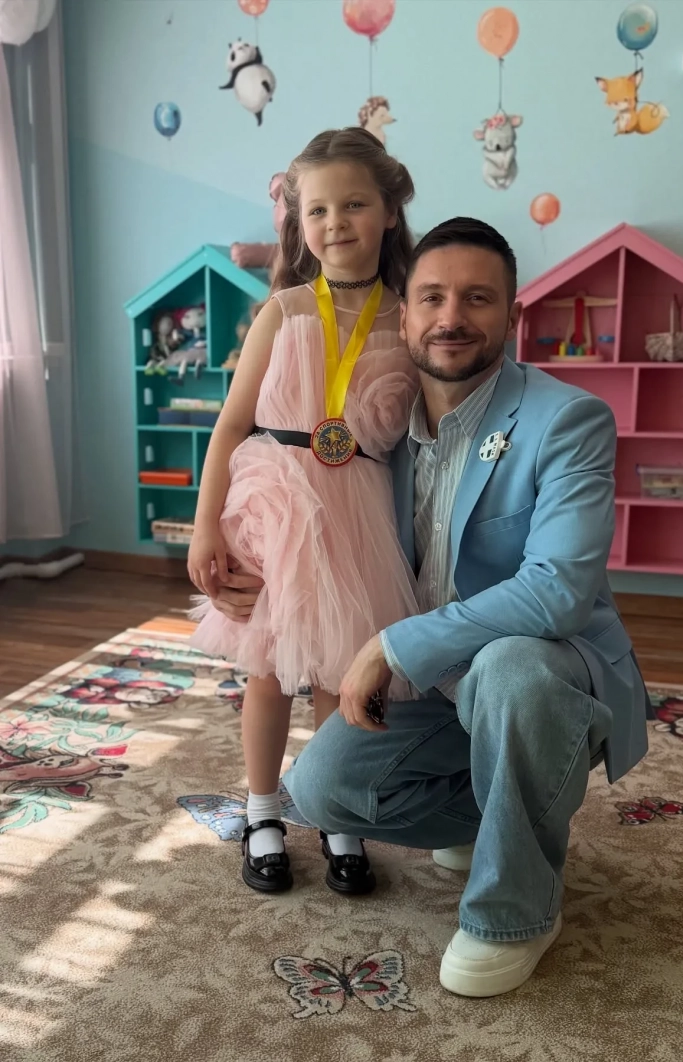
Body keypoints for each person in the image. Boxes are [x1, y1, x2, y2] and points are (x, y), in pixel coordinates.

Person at [210, 217, 651, 999]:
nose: (452, 317)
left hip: (543, 679)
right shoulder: (378, 428)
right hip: (437, 691)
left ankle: (515, 912)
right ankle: (499, 810)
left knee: (511, 670)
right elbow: (312, 507)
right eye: (433, 298)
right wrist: (245, 564)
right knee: (322, 791)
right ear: (404, 314)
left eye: (478, 298)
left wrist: (393, 645)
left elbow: (557, 591)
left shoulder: (565, 419)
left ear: (512, 315)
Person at [187, 128, 420, 897]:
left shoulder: (408, 317)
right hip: (276, 504)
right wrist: (205, 526)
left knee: (339, 673)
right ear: (298, 221)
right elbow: (231, 425)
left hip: (357, 511)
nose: (334, 222)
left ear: (390, 210)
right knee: (268, 670)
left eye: (353, 204)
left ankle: (333, 809)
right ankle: (262, 812)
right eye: (316, 209)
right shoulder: (283, 311)